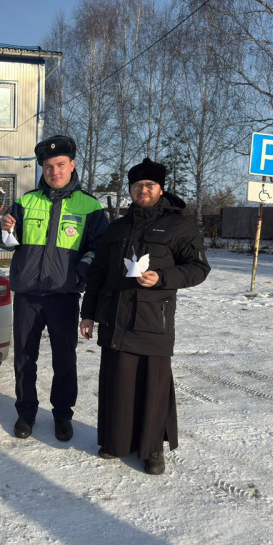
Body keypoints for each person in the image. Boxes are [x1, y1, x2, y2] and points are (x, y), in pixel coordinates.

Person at [79, 158, 211, 475]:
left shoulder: (180, 226)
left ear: (160, 188)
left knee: (153, 386)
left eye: (149, 185)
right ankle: (116, 441)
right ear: (131, 190)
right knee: (118, 384)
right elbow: (97, 274)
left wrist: (162, 277)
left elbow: (199, 268)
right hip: (115, 319)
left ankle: (152, 450)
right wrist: (88, 314)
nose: (143, 190)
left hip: (154, 319)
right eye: (137, 186)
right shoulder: (117, 228)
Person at [0, 135, 108, 441]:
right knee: (24, 357)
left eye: (59, 165)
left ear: (71, 165)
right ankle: (26, 413)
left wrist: (79, 272)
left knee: (64, 359)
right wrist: (4, 231)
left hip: (63, 296)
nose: (54, 171)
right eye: (48, 166)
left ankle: (61, 415)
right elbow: (5, 239)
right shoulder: (25, 201)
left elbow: (100, 250)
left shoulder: (91, 206)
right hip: (28, 294)